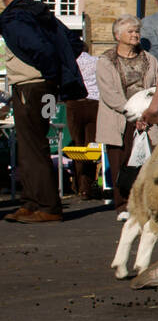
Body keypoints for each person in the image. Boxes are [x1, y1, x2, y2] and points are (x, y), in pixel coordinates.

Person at [0, 0, 86, 223]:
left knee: (32, 145)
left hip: (31, 87)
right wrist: (55, 74)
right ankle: (31, 202)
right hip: (47, 88)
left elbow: (38, 48)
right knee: (36, 142)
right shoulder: (44, 15)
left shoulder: (14, 17)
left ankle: (47, 206)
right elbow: (75, 44)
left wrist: (47, 69)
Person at [95, 16, 158, 213]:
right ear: (117, 35)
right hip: (119, 119)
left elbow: (156, 87)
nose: (135, 34)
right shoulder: (106, 61)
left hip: (146, 118)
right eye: (130, 31)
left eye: (137, 31)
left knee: (147, 164)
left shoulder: (150, 59)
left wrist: (148, 113)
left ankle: (145, 205)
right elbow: (109, 93)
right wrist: (133, 112)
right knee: (120, 165)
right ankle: (123, 205)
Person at [65, 35, 101, 199]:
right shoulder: (96, 61)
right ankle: (88, 187)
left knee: (78, 146)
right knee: (91, 146)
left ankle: (79, 185)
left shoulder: (69, 63)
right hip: (94, 104)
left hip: (75, 104)